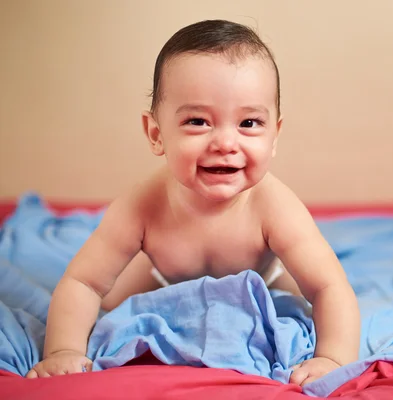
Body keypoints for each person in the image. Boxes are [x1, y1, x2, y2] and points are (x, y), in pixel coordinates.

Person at [26, 19, 360, 386]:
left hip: (264, 276)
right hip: (163, 275)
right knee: (112, 298)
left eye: (249, 122)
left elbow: (329, 287)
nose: (225, 143)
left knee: (305, 295)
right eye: (198, 121)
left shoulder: (274, 205)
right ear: (157, 134)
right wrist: (63, 350)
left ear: (274, 136)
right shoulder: (142, 206)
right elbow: (84, 283)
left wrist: (331, 357)